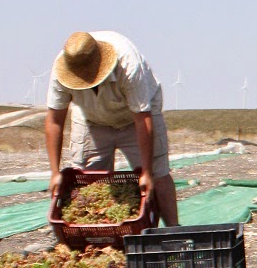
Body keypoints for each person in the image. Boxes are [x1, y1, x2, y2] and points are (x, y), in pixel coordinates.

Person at [44, 31, 179, 224]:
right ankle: (96, 234)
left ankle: (173, 231)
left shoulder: (128, 64)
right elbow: (54, 120)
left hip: (135, 118)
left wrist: (147, 172)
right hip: (91, 120)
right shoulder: (63, 69)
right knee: (87, 181)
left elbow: (142, 119)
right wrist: (55, 172)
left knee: (157, 177)